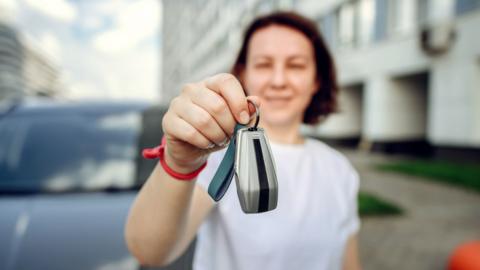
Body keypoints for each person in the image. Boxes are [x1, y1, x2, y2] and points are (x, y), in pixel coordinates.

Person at [125, 11, 361, 270]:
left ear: (316, 80)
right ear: (243, 74)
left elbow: (347, 261)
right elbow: (149, 251)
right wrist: (180, 163)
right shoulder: (212, 154)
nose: (279, 81)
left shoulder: (339, 168)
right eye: (263, 64)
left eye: (296, 65)